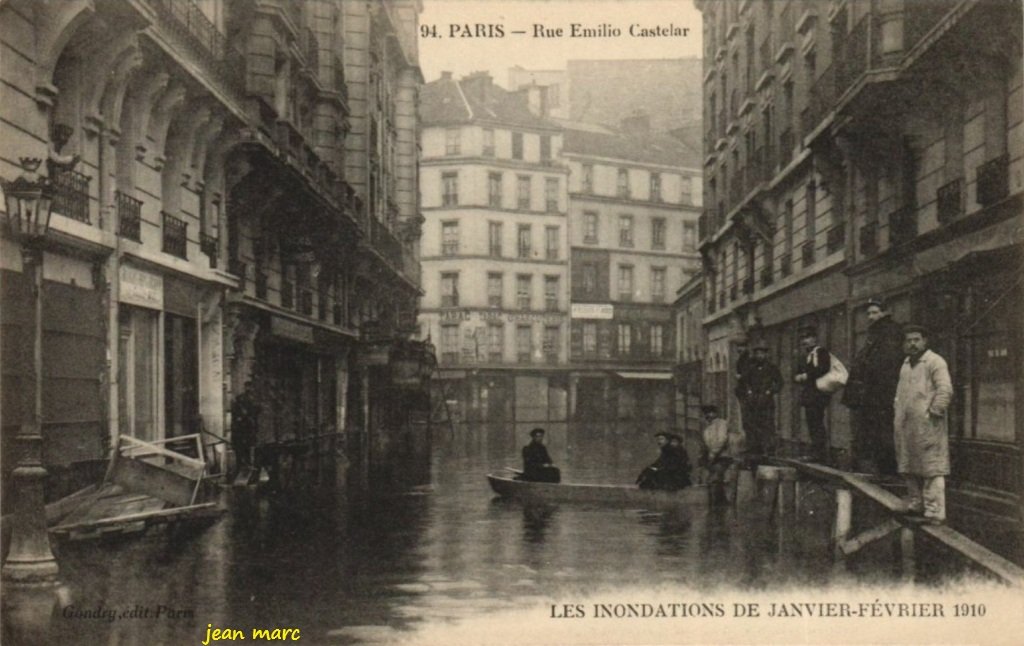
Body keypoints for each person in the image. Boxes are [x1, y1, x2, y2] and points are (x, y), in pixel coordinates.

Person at [893, 325, 953, 524]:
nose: (912, 343)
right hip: (906, 425)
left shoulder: (935, 362)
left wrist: (933, 413)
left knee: (931, 468)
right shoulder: (906, 364)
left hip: (927, 425)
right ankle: (916, 503)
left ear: (925, 341)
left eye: (916, 339)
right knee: (908, 465)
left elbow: (945, 390)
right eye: (909, 340)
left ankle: (934, 511)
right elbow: (901, 394)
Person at [844, 298, 904, 475]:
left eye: (874, 312)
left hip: (882, 393)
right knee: (876, 432)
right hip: (874, 393)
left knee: (883, 432)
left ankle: (888, 471)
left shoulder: (889, 331)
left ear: (885, 313)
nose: (870, 316)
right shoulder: (876, 333)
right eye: (869, 313)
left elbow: (886, 363)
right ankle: (881, 469)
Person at [735, 342, 783, 459]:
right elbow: (745, 381)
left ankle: (770, 449)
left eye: (762, 353)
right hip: (753, 401)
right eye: (757, 353)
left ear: (766, 355)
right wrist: (749, 391)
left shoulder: (772, 368)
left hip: (767, 401)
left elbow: (780, 382)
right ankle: (755, 448)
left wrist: (770, 391)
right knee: (753, 424)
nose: (760, 356)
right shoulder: (751, 368)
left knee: (768, 425)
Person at [793, 325, 832, 464]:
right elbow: (796, 372)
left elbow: (823, 369)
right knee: (812, 423)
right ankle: (816, 452)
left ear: (815, 339)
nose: (805, 341)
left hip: (818, 394)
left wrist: (806, 376)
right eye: (803, 338)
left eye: (808, 337)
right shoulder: (805, 356)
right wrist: (798, 377)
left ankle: (820, 454)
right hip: (810, 395)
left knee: (817, 423)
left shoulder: (821, 353)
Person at [700, 405, 743, 504]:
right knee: (714, 479)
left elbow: (722, 439)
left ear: (715, 413)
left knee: (715, 478)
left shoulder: (721, 424)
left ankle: (718, 503)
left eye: (711, 412)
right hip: (713, 457)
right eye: (706, 413)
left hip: (723, 456)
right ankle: (720, 502)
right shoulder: (707, 429)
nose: (708, 415)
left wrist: (714, 452)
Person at [230, 379, 260, 476]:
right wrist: (240, 418)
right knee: (241, 449)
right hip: (241, 429)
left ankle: (247, 468)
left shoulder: (254, 399)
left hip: (248, 429)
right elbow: (236, 414)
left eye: (250, 387)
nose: (248, 388)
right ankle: (242, 467)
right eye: (247, 386)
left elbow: (256, 413)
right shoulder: (240, 399)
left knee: (247, 449)